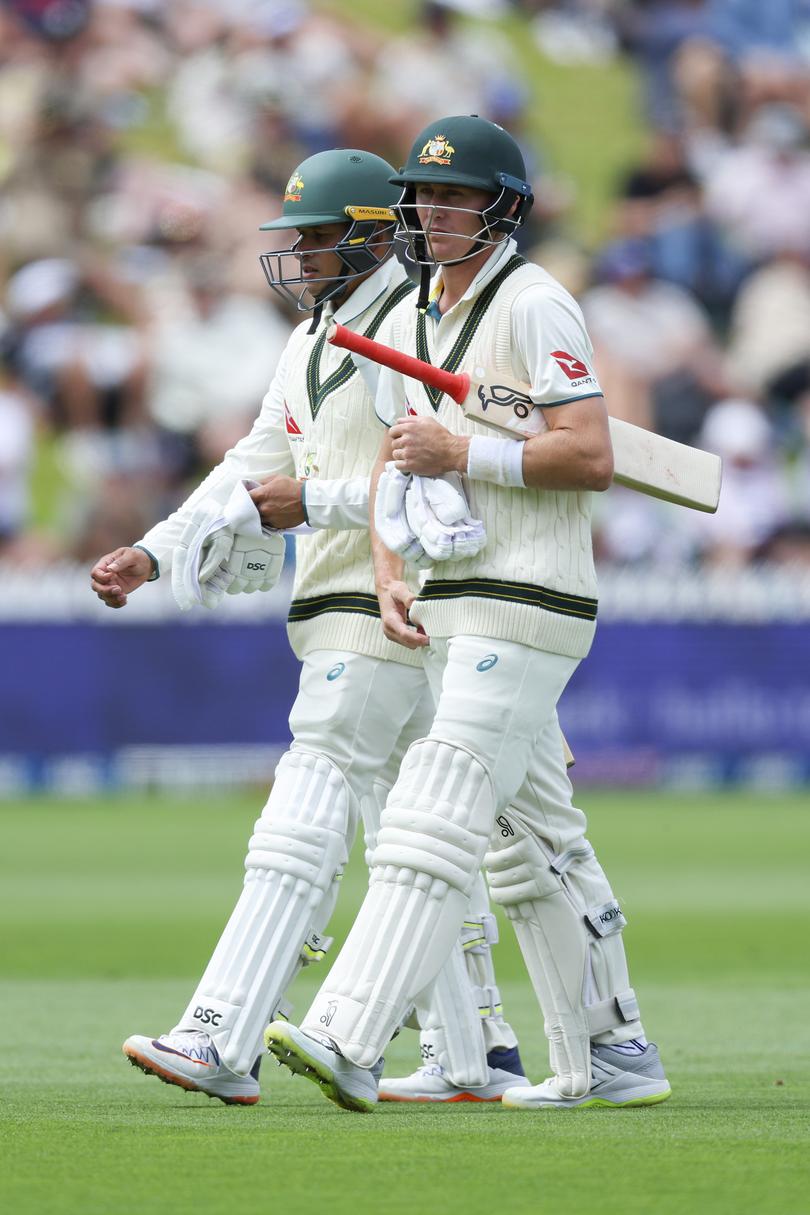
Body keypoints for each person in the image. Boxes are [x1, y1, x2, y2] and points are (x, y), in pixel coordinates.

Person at [89, 147, 527, 1106]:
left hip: (390, 601)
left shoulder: (411, 326)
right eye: (296, 238)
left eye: (320, 237)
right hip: (348, 608)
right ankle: (473, 1052)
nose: (299, 255)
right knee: (409, 837)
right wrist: (155, 550)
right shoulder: (314, 338)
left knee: (306, 809)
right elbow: (247, 465)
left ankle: (220, 1037)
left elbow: (429, 470)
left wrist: (314, 500)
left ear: (374, 236)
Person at [265, 115, 671, 1113]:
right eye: (423, 196)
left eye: (456, 196)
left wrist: (473, 455)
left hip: (529, 590)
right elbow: (406, 457)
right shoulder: (413, 317)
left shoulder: (535, 304)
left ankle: (347, 1035)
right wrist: (392, 568)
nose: (434, 212)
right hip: (453, 590)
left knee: (433, 798)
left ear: (503, 209)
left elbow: (591, 455)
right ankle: (614, 1053)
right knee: (532, 840)